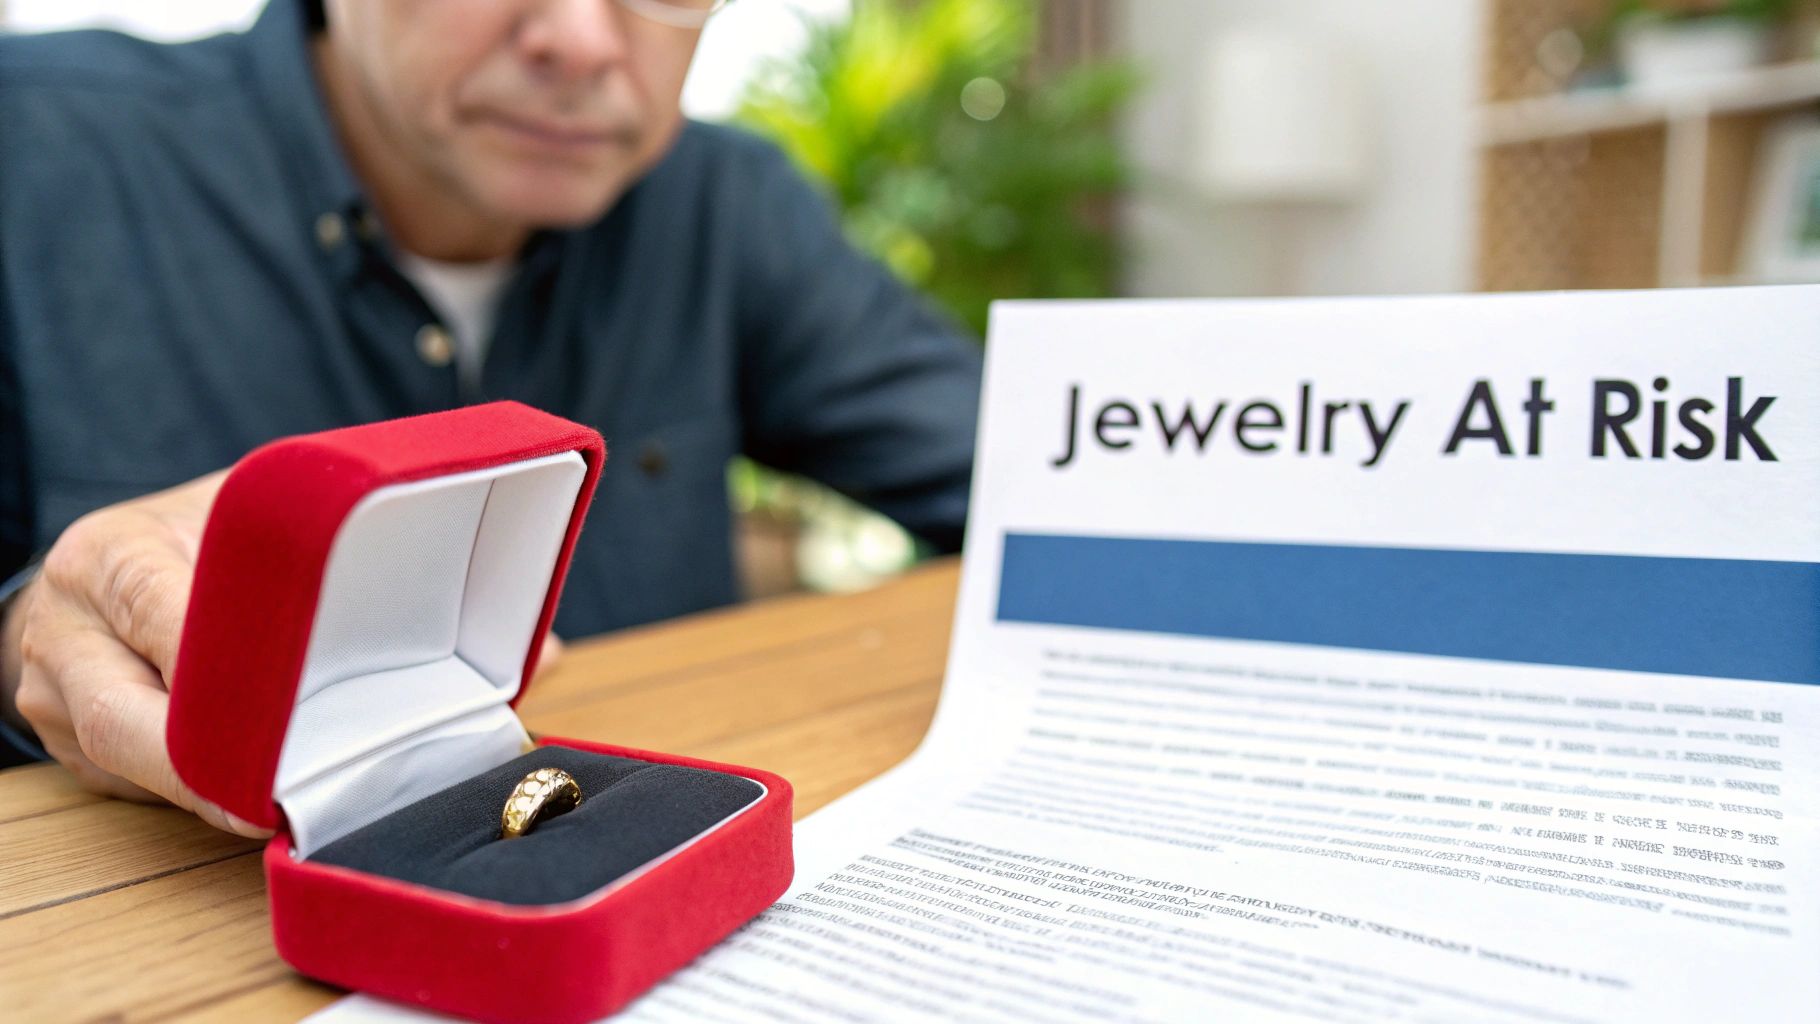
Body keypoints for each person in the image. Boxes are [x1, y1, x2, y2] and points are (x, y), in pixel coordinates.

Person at [0, 0, 982, 835]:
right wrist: (28, 638)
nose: (585, 38)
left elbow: (1024, 477)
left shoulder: (724, 203)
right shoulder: (35, 152)